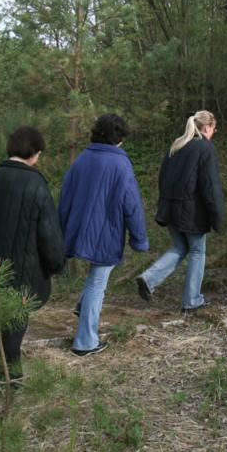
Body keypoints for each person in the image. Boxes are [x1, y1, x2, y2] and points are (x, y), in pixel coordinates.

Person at [0, 125, 65, 367]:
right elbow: (49, 232)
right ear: (36, 153)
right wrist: (57, 264)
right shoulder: (36, 184)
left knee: (8, 327)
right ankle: (8, 381)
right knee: (14, 330)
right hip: (23, 273)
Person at [59, 113, 149, 356]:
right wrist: (139, 239)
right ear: (119, 138)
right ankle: (85, 342)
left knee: (96, 281)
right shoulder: (120, 164)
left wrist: (62, 229)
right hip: (106, 232)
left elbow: (65, 197)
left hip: (79, 229)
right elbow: (131, 204)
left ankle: (83, 306)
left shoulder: (82, 159)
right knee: (97, 283)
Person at [135, 111, 224, 313]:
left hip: (171, 209)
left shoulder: (177, 145)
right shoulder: (205, 148)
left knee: (180, 247)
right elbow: (210, 186)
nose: (214, 132)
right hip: (191, 212)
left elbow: (162, 178)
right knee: (197, 252)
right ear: (207, 127)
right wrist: (217, 214)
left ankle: (149, 279)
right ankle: (192, 300)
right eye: (214, 128)